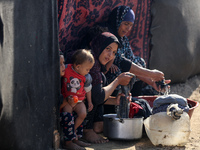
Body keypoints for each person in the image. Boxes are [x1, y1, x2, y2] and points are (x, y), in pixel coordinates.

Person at [82, 31, 167, 144]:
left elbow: (97, 94)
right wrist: (117, 81)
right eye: (108, 49)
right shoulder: (92, 65)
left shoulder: (99, 64)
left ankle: (94, 124)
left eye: (114, 52)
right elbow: (97, 96)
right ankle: (87, 130)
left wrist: (115, 101)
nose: (110, 55)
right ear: (100, 46)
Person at [60, 49, 95, 150]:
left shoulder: (87, 77)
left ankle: (75, 136)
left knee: (83, 114)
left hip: (79, 100)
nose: (88, 72)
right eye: (87, 69)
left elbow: (88, 90)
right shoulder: (66, 69)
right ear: (78, 66)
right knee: (68, 117)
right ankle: (68, 141)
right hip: (68, 100)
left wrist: (90, 102)